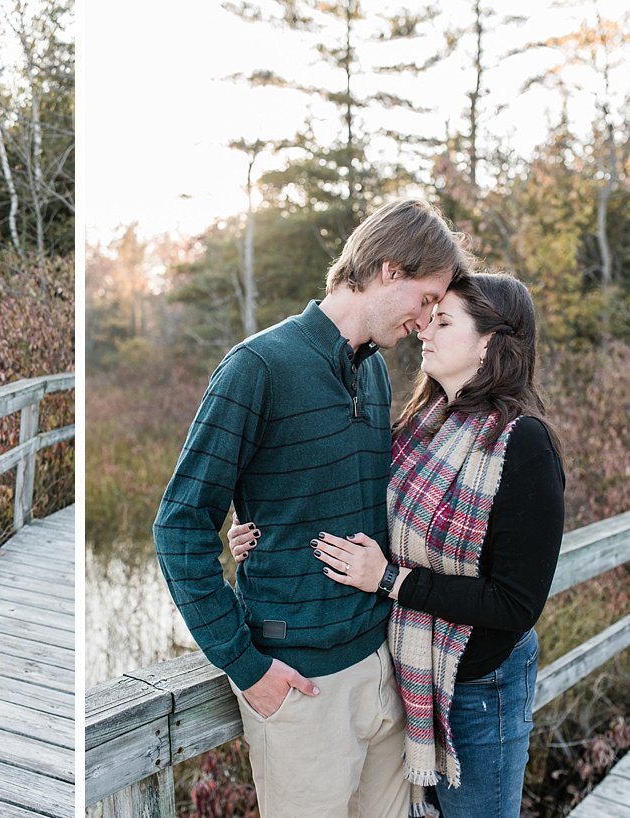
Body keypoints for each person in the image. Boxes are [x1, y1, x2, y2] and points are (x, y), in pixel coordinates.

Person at [153, 199, 474, 818]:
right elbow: (180, 524)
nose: (428, 318)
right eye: (428, 296)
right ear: (388, 269)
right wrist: (246, 667)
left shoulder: (375, 373)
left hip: (383, 671)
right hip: (301, 690)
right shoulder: (258, 368)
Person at [231, 271, 565, 817]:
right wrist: (261, 534)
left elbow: (516, 603)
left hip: (481, 685)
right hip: (410, 672)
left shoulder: (523, 443)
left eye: (444, 321)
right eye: (428, 317)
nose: (424, 332)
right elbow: (361, 504)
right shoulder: (420, 427)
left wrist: (391, 580)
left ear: (489, 342)